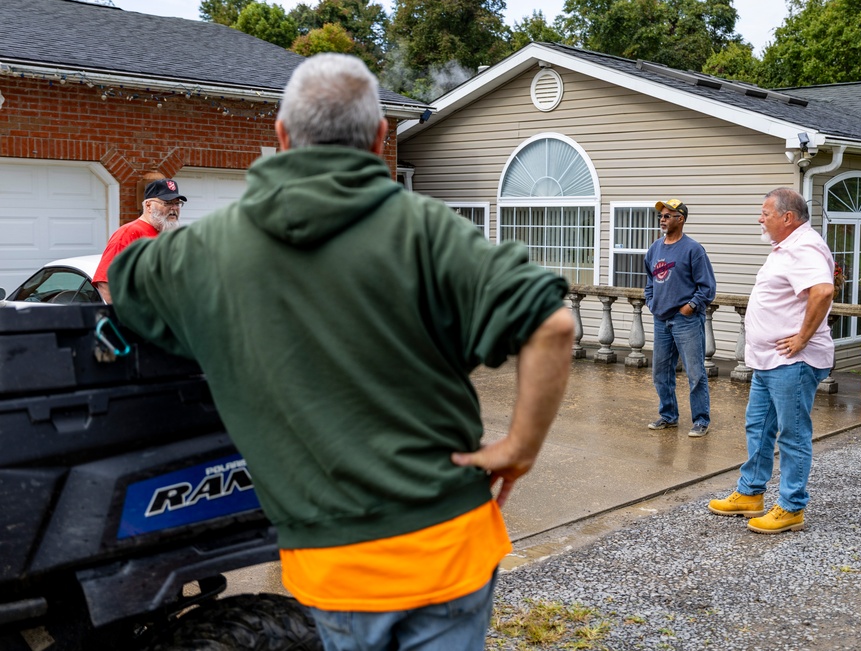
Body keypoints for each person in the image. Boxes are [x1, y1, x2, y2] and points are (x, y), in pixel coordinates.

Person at [108, 53, 575, 651]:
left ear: (281, 136)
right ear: (381, 137)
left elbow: (127, 280)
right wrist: (518, 450)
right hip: (450, 539)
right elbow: (553, 325)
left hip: (333, 561)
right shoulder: (432, 231)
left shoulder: (202, 252)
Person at [708, 187, 834, 534]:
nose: (759, 218)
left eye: (765, 212)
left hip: (792, 362)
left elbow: (823, 291)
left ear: (787, 217)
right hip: (769, 360)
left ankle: (792, 507)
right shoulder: (786, 247)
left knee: (792, 436)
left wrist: (803, 338)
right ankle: (750, 493)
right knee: (759, 427)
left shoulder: (804, 246)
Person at [643, 198, 716, 437]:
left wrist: (690, 306)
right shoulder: (654, 249)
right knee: (660, 373)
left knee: (695, 373)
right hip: (661, 319)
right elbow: (649, 281)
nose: (662, 219)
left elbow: (707, 288)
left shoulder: (693, 249)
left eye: (667, 215)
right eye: (661, 216)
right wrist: (651, 302)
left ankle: (701, 420)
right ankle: (668, 416)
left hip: (686, 321)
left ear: (680, 219)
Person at [92, 178, 185, 303]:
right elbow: (106, 282)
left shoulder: (169, 236)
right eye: (167, 203)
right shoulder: (128, 233)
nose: (174, 208)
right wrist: (130, 318)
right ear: (148, 205)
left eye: (177, 203)